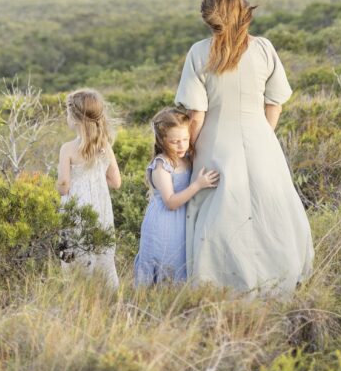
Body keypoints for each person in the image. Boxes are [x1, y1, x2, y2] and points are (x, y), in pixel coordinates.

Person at [175, 0, 314, 296]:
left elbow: (196, 114)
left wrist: (189, 152)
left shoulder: (199, 52)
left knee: (219, 216)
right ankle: (278, 281)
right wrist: (263, 135)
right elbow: (275, 101)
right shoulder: (263, 48)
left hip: (214, 141)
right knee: (272, 210)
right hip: (260, 138)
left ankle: (222, 286)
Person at [134, 107, 219, 285]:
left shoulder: (187, 158)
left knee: (180, 262)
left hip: (182, 221)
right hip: (164, 222)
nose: (181, 145)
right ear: (162, 141)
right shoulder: (161, 165)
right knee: (165, 260)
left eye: (185, 139)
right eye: (174, 142)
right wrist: (198, 185)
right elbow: (171, 202)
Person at [56, 88, 121, 288]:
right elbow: (116, 182)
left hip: (76, 208)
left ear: (75, 118)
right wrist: (97, 183)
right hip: (100, 208)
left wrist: (59, 187)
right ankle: (107, 291)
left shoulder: (67, 149)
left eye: (68, 112)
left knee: (74, 250)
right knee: (101, 252)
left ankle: (75, 290)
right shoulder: (105, 146)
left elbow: (64, 186)